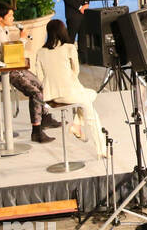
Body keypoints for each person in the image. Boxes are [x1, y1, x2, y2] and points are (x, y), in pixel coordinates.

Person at [0, 3, 59, 143]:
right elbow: (10, 52)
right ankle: (36, 131)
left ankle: (45, 118)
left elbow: (9, 50)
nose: (13, 18)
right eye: (10, 15)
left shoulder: (2, 28)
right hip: (3, 69)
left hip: (11, 66)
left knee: (39, 85)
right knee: (35, 93)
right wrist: (23, 38)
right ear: (0, 18)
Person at [35, 20, 104, 150]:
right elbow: (76, 71)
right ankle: (101, 149)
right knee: (91, 112)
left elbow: (40, 77)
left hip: (51, 95)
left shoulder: (40, 52)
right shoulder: (69, 48)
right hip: (69, 92)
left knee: (91, 94)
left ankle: (76, 125)